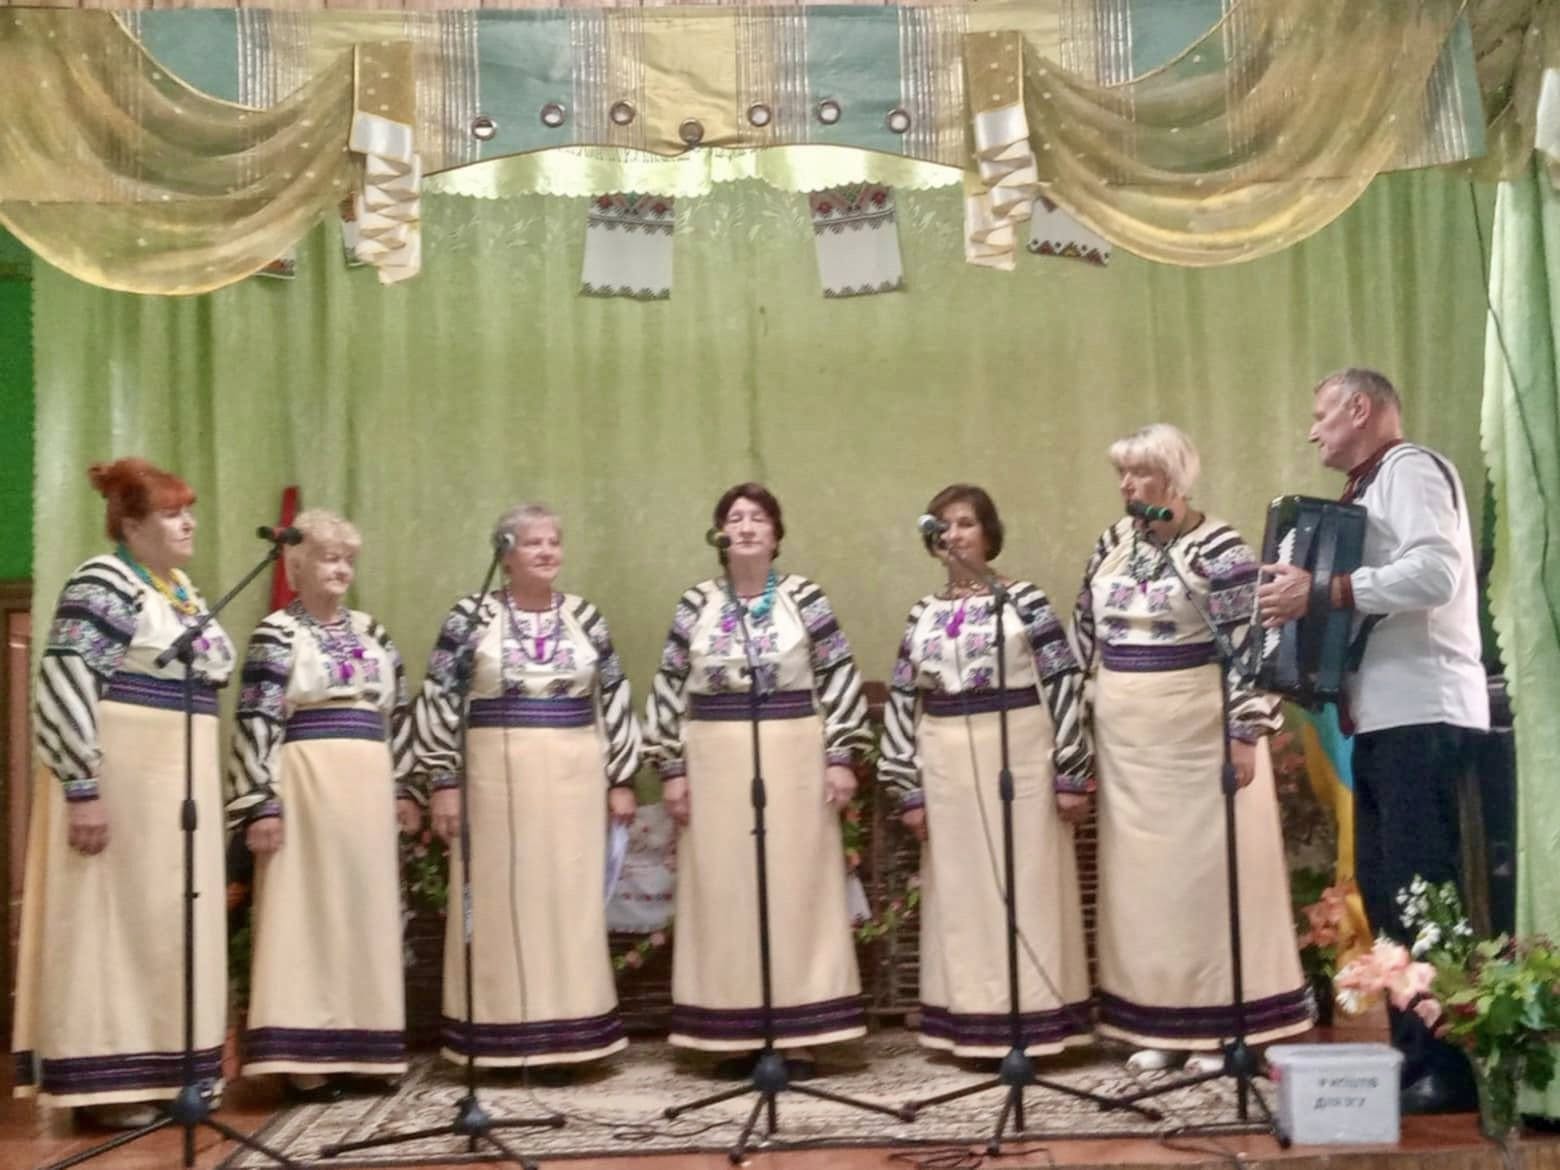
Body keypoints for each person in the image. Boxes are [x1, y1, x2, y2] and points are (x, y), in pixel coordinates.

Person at [1258, 369, 1488, 1113]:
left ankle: (1450, 1067)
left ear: (1360, 409)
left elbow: (1436, 573)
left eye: (1321, 414)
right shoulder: (1369, 488)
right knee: (1391, 897)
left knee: (1425, 896)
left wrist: (1327, 591)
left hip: (1425, 711)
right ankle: (1414, 1056)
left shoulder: (1411, 469)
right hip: (1385, 719)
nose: (1312, 431)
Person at [1076, 424, 1310, 1072]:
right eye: (1122, 474)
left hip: (1200, 741)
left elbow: (1254, 646)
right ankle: (1159, 1024)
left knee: (1206, 884)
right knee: (1145, 890)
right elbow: (1083, 638)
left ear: (1175, 479)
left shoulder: (1219, 549)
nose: (1127, 485)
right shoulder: (1112, 545)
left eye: (1141, 473)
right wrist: (1079, 732)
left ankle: (1220, 1029)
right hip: (1129, 749)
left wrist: (1244, 733)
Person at [13, 458, 237, 1127]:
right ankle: (106, 1087)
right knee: (113, 923)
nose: (188, 523)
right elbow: (66, 679)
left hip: (177, 794)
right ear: (132, 525)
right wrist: (83, 787)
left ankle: (170, 1074)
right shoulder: (102, 584)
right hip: (124, 785)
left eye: (189, 511)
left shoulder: (179, 589)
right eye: (171, 513)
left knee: (169, 922)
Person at [644, 483, 868, 1078]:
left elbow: (838, 675)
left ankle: (800, 1034)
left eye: (759, 518)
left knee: (797, 886)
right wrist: (671, 768)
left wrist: (840, 756)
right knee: (725, 890)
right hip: (714, 760)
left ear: (776, 535)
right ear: (720, 534)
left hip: (793, 754)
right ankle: (731, 1034)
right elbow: (668, 686)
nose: (746, 527)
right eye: (735, 518)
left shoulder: (804, 598)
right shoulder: (696, 603)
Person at [417, 504, 639, 1073]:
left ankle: (572, 1037)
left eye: (553, 542)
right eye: (533, 542)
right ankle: (500, 1038)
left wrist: (620, 779)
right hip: (494, 780)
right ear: (505, 554)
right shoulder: (469, 616)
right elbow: (439, 697)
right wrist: (444, 781)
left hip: (574, 778)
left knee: (568, 901)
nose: (546, 552)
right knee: (500, 903)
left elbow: (614, 695)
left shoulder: (585, 616)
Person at [878, 483, 1094, 1059]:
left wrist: (1071, 770)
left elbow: (1063, 682)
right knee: (960, 890)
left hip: (1019, 754)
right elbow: (903, 700)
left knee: (1028, 883)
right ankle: (969, 1022)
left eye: (966, 523)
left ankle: (1037, 1020)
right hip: (946, 761)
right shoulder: (923, 614)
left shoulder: (1025, 601)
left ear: (988, 533)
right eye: (944, 524)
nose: (954, 534)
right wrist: (907, 787)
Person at [227, 510, 420, 1099]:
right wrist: (260, 804)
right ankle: (304, 1059)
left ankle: (365, 1050)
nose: (340, 569)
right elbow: (255, 718)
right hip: (306, 783)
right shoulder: (276, 633)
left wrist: (404, 788)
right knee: (306, 912)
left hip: (368, 785)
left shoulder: (372, 630)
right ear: (296, 566)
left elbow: (400, 713)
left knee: (366, 911)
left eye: (347, 560)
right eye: (328, 558)